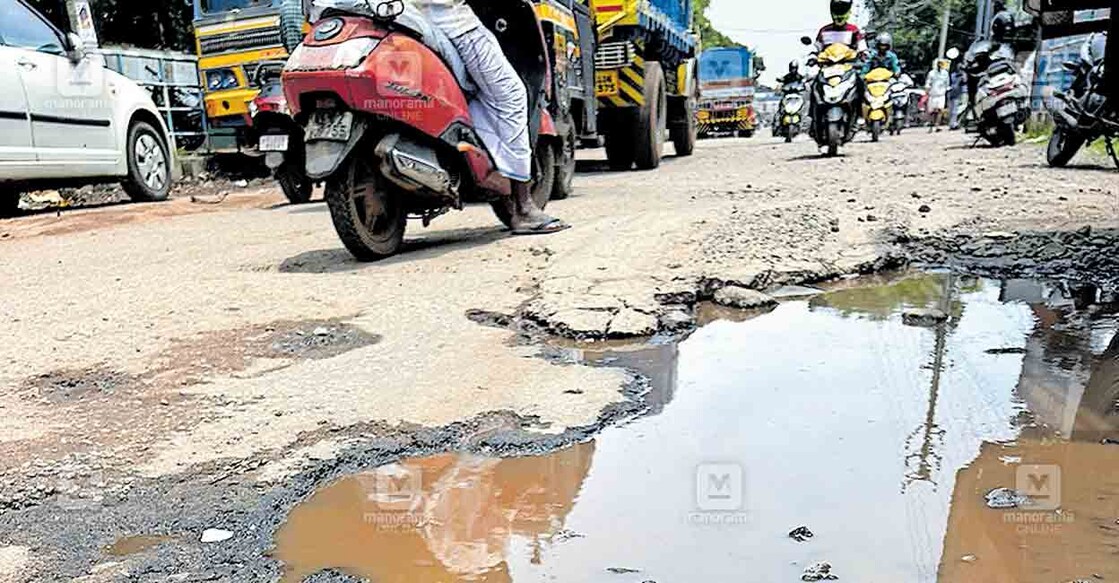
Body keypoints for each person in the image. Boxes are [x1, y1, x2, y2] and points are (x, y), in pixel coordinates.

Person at [300, 0, 568, 235]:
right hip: (443, 17)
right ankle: (523, 206)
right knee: (511, 94)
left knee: (470, 90)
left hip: (381, 15)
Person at [925, 58, 950, 130]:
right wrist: (927, 89)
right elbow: (928, 82)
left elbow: (947, 83)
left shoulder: (945, 73)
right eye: (938, 63)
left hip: (941, 94)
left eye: (941, 64)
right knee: (932, 111)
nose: (940, 65)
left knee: (940, 110)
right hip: (933, 94)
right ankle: (931, 123)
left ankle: (937, 125)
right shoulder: (932, 73)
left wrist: (946, 90)